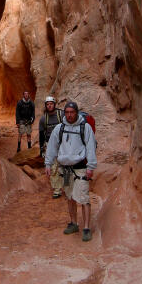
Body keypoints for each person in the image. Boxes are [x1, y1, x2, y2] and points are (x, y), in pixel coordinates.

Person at [45, 101, 97, 242]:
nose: (69, 115)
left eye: (72, 112)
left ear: (76, 112)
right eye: (67, 112)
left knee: (84, 198)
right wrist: (48, 164)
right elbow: (52, 147)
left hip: (80, 168)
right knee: (70, 197)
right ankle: (73, 223)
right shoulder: (59, 128)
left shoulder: (85, 127)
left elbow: (91, 147)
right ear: (64, 113)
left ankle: (86, 228)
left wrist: (91, 167)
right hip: (66, 169)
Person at [39, 96, 64, 199]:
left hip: (63, 144)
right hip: (50, 145)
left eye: (51, 104)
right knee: (53, 167)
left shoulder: (61, 115)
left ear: (54, 104)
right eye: (48, 104)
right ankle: (57, 190)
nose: (49, 106)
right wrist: (41, 148)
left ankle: (66, 187)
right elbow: (41, 134)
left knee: (65, 166)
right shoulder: (43, 119)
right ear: (46, 106)